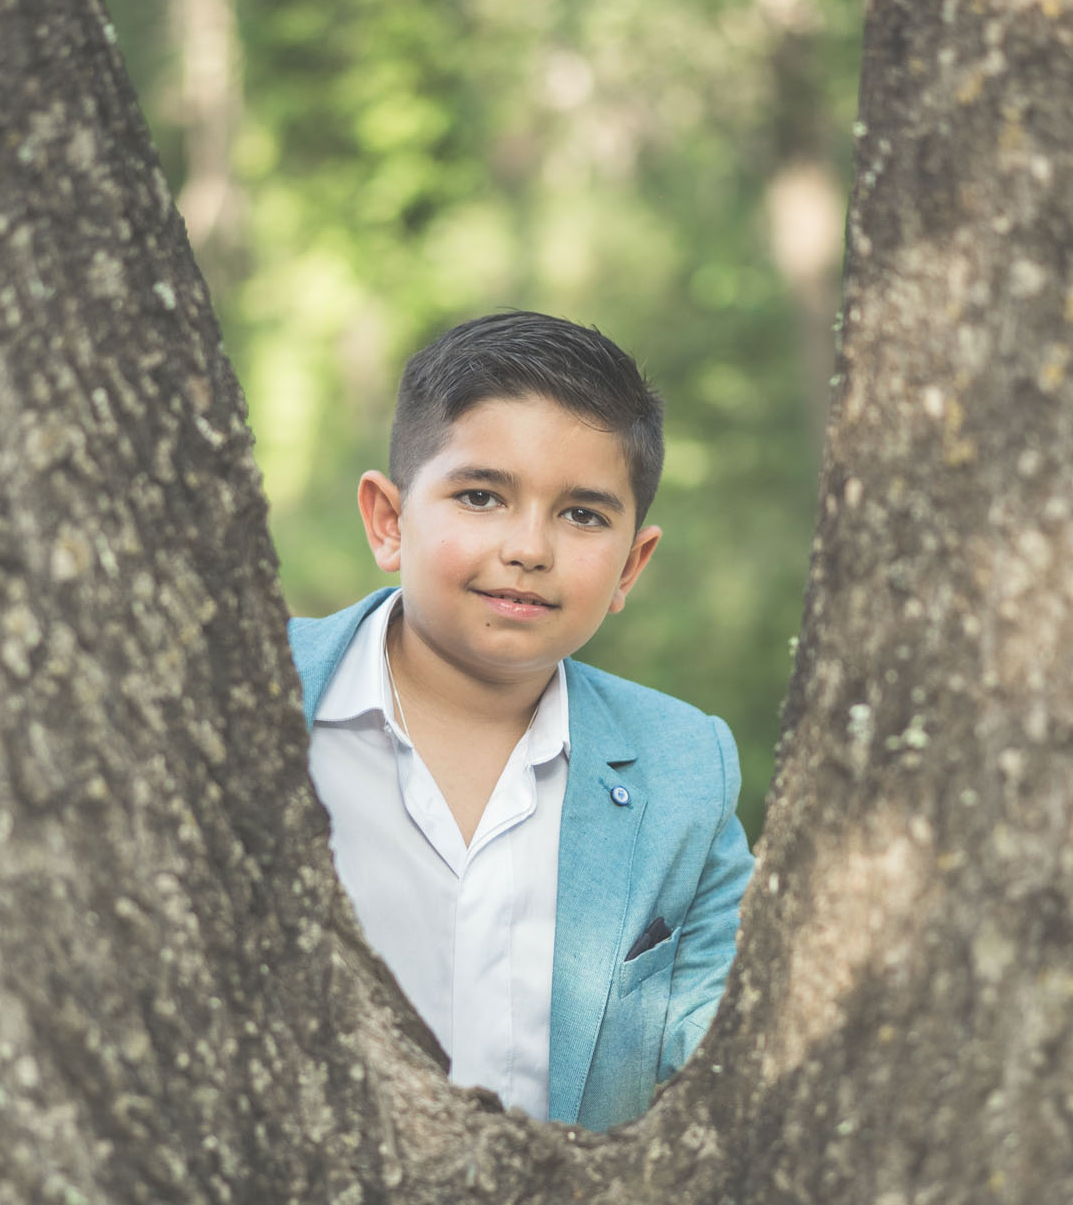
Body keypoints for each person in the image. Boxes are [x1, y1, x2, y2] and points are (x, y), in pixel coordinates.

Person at [288, 311, 753, 1131]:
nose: (529, 547)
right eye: (480, 496)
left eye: (582, 515)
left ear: (629, 565)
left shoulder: (685, 768)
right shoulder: (262, 695)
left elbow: (730, 1043)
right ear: (388, 521)